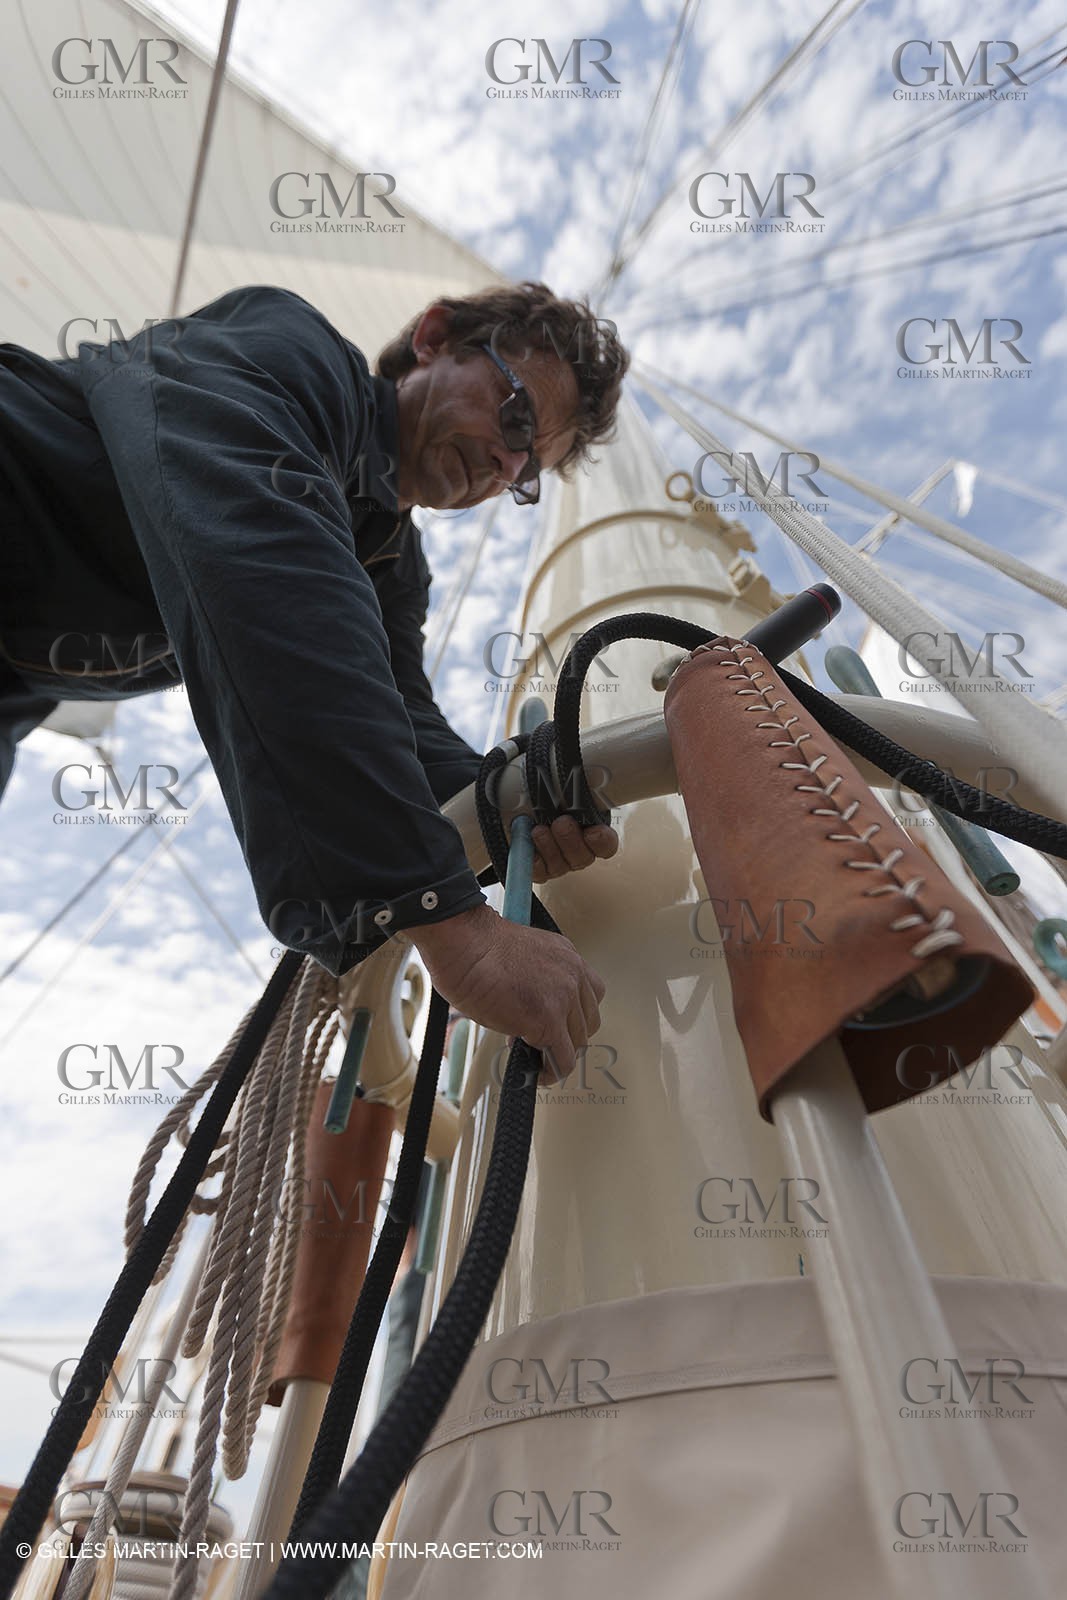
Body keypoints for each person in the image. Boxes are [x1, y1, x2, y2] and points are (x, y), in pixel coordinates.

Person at [0, 280, 629, 1079]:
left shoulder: (390, 565)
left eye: (526, 470)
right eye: (513, 417)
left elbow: (404, 717)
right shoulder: (287, 351)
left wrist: (513, 803)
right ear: (434, 336)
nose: (505, 464)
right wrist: (445, 918)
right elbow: (265, 556)